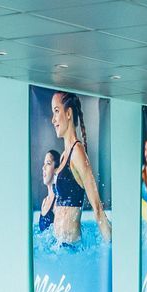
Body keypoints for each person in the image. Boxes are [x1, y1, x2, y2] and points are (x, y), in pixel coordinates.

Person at [48, 91, 110, 248]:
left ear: (68, 113)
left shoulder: (77, 152)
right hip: (59, 245)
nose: (53, 119)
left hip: (71, 248)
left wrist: (112, 249)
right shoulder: (63, 156)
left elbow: (97, 207)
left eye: (56, 111)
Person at [37, 150, 60, 234]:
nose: (43, 167)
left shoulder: (58, 203)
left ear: (56, 169)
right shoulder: (44, 202)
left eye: (48, 163)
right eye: (44, 164)